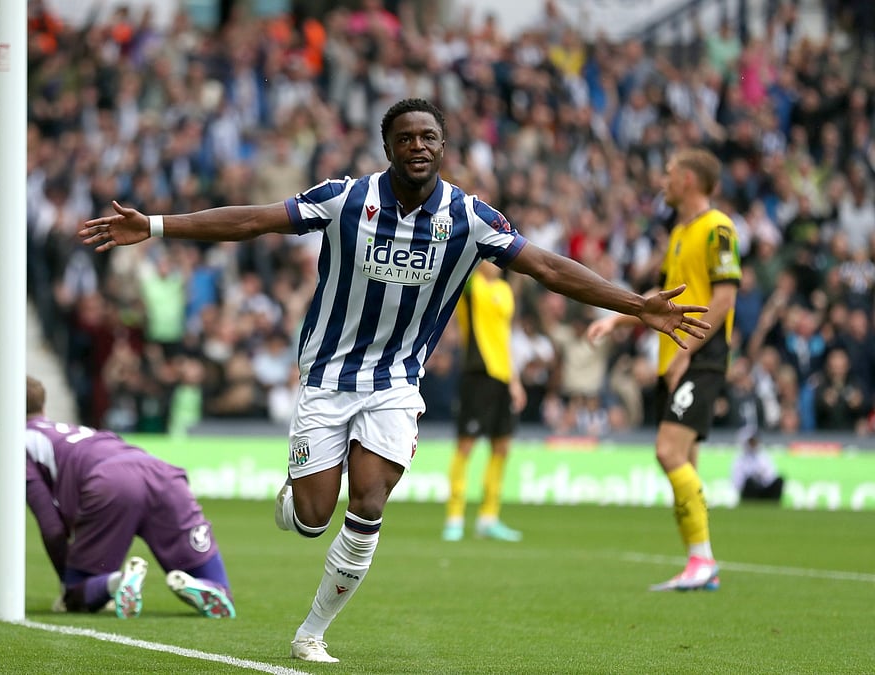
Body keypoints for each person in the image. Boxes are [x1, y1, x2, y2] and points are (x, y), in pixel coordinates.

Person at [81, 98, 709, 662]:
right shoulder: (346, 198)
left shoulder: (469, 216)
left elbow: (545, 266)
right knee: (309, 517)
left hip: (396, 383)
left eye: (429, 137)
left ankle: (312, 633)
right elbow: (253, 221)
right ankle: (295, 495)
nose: (418, 146)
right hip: (327, 377)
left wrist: (635, 304)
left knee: (369, 504)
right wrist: (157, 225)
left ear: (443, 146)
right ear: (388, 148)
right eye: (406, 138)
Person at [587, 148, 740, 592]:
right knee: (684, 459)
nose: (663, 179)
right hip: (672, 357)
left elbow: (725, 297)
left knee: (668, 452)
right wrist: (618, 316)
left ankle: (702, 560)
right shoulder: (678, 232)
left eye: (670, 172)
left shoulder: (719, 228)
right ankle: (699, 564)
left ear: (690, 180)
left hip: (699, 355)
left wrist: (688, 353)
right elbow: (663, 293)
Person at [23, 376, 236, 619]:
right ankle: (207, 586)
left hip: (110, 482)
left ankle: (118, 582)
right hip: (162, 474)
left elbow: (51, 527)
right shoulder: (74, 429)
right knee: (216, 584)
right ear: (44, 406)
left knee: (78, 591)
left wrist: (67, 583)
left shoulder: (18, 442)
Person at [442, 262, 526, 543]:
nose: (499, 263)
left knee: (501, 446)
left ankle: (488, 518)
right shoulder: (471, 285)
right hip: (477, 373)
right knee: (466, 444)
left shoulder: (504, 290)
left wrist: (515, 381)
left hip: (503, 376)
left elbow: (504, 337)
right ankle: (454, 516)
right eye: (492, 258)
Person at [731, 425, 784, 502]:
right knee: (750, 482)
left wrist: (761, 477)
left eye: (755, 441)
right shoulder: (739, 459)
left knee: (779, 480)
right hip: (749, 492)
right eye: (751, 441)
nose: (753, 444)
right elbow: (737, 482)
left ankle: (773, 503)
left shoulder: (764, 456)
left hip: (763, 489)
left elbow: (771, 476)